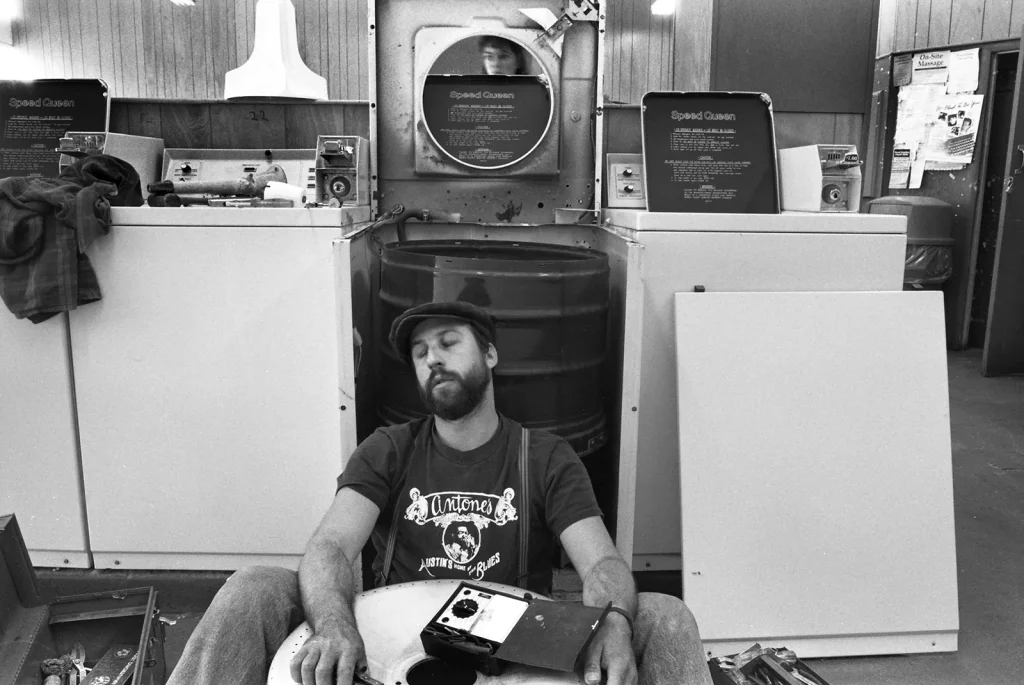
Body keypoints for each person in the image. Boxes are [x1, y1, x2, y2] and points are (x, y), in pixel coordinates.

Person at [167, 300, 713, 685]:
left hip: (514, 648)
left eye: (449, 343)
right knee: (253, 587)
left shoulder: (545, 457)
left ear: (491, 357)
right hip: (393, 639)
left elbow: (601, 564)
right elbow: (331, 547)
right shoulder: (388, 448)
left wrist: (613, 622)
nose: (432, 358)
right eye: (421, 352)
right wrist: (335, 627)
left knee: (662, 614)